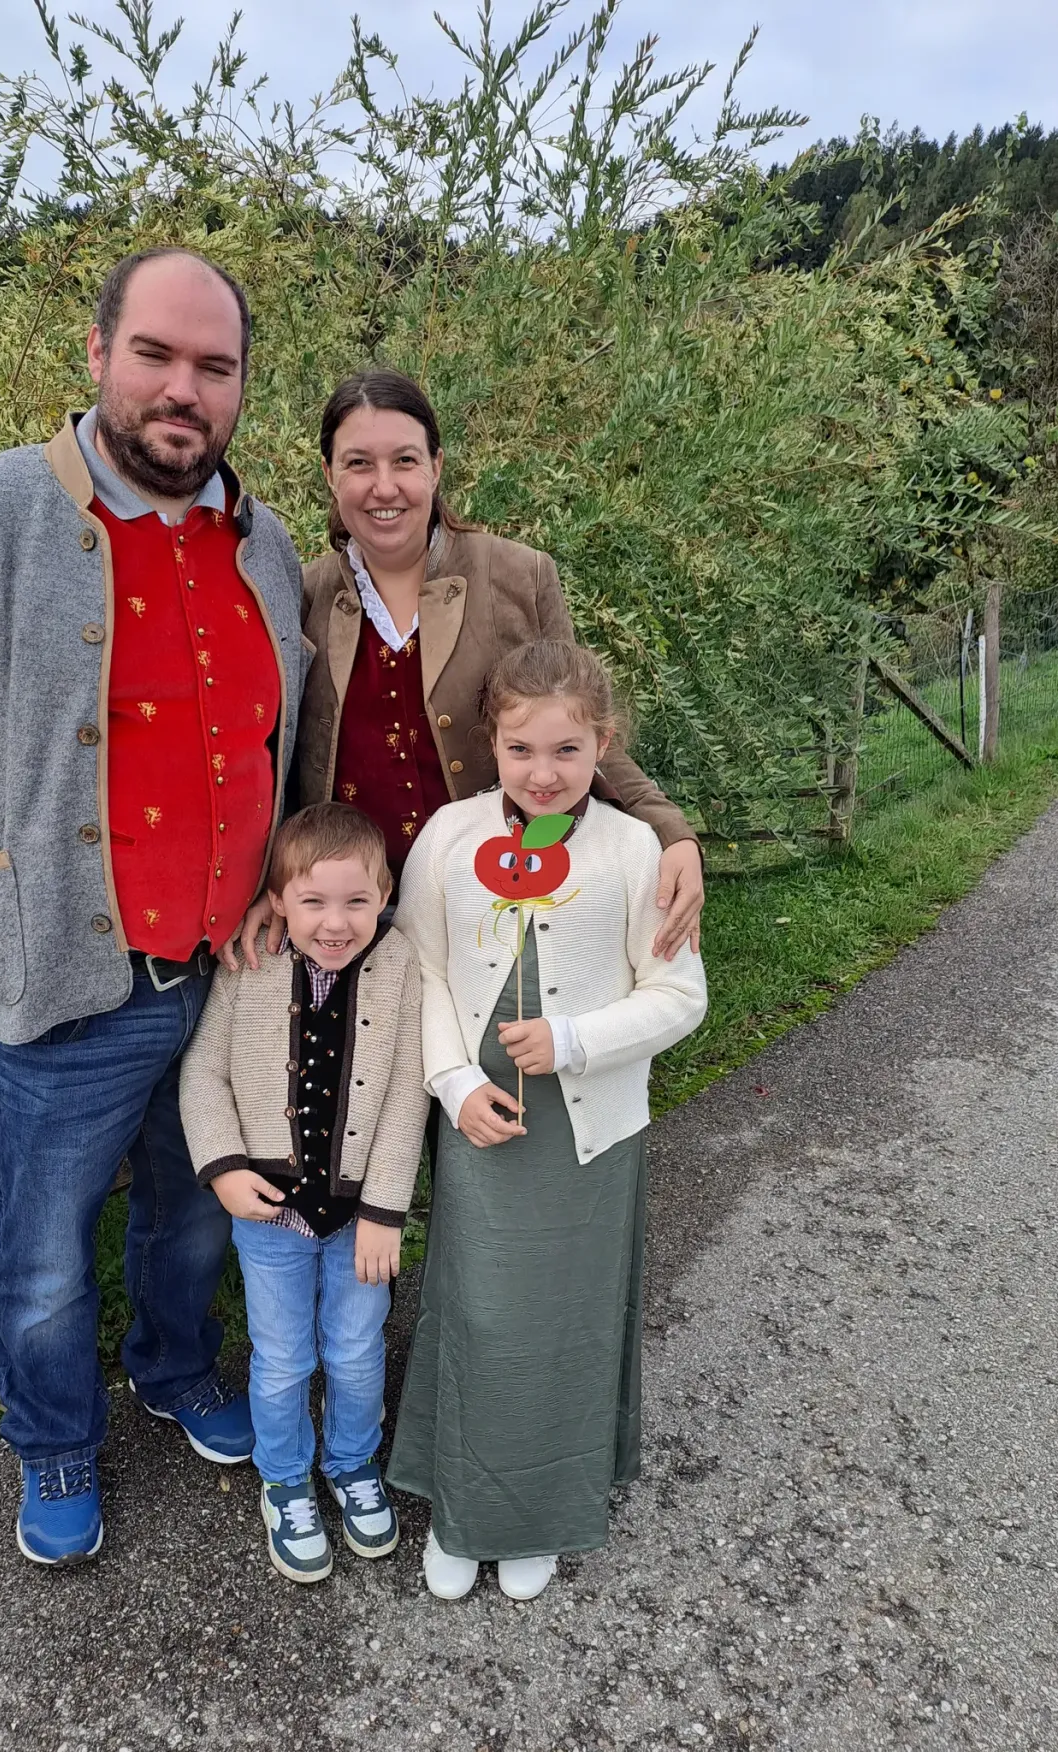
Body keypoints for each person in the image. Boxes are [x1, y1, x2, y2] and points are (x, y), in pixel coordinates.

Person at [0, 248, 312, 1566]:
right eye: (156, 355)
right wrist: (9, 841)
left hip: (222, 973)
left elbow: (277, 735)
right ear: (97, 354)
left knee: (194, 1208)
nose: (183, 389)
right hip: (60, 982)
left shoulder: (261, 541)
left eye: (213, 368)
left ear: (238, 389)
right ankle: (52, 1442)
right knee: (43, 1255)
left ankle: (173, 1368)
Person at [390, 638, 708, 1601]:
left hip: (586, 1133)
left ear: (602, 745)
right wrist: (451, 1082)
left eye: (568, 751)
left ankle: (536, 1512)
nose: (543, 772)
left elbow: (678, 995)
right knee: (482, 1314)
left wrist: (572, 1040)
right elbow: (425, 969)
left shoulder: (632, 848)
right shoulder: (448, 836)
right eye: (523, 749)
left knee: (562, 1324)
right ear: (492, 740)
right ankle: (466, 1509)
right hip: (484, 1121)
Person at [232, 367, 703, 969]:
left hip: (494, 901)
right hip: (350, 918)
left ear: (436, 466)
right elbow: (278, 759)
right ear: (329, 475)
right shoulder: (302, 596)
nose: (384, 486)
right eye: (358, 464)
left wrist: (671, 831)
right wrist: (273, 880)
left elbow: (579, 726)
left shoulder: (519, 576)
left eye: (404, 460)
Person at [179, 803, 429, 1583]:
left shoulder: (401, 965)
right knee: (283, 1356)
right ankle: (286, 1479)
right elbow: (203, 1075)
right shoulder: (248, 967)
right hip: (270, 1215)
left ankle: (351, 1466)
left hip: (362, 1219)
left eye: (357, 901)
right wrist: (222, 1167)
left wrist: (387, 1211)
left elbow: (405, 1096)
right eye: (313, 901)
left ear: (384, 893)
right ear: (278, 900)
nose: (335, 921)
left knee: (355, 1352)